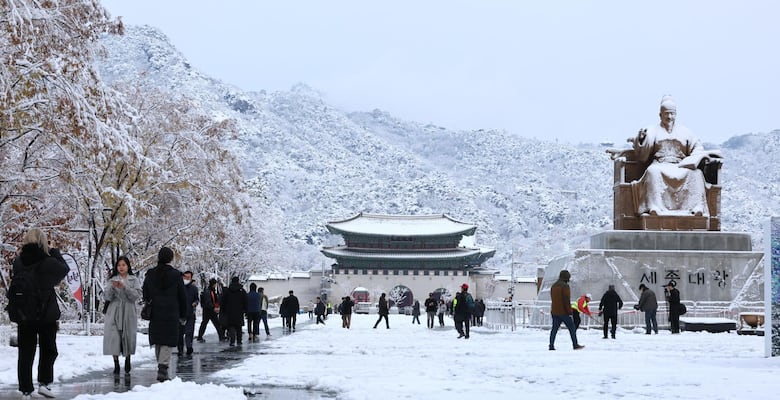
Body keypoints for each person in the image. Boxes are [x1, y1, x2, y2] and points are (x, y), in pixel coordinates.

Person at [631, 95, 718, 216]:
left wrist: (697, 157)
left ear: (676, 114)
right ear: (660, 115)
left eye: (672, 113)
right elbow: (643, 153)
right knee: (652, 172)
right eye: (666, 113)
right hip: (660, 164)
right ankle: (654, 207)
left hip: (680, 165)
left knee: (696, 174)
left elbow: (697, 147)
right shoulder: (652, 130)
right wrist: (641, 140)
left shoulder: (686, 132)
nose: (669, 117)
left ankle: (696, 207)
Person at [12, 228, 69, 399]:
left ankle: (26, 390)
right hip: (46, 313)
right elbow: (64, 269)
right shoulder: (48, 261)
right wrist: (54, 251)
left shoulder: (19, 261)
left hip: (25, 313)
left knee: (25, 353)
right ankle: (44, 383)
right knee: (48, 350)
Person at [142, 246, 187, 382]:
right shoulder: (176, 275)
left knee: (158, 341)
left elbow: (145, 293)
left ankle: (161, 366)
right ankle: (163, 368)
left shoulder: (150, 274)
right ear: (171, 259)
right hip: (171, 312)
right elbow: (182, 296)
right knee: (167, 341)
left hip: (156, 312)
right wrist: (183, 314)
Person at [103, 256, 142, 375]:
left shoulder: (133, 279)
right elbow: (107, 297)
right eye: (119, 265)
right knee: (114, 337)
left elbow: (136, 296)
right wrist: (112, 288)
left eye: (123, 265)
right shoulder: (112, 279)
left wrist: (125, 287)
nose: (121, 267)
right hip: (114, 310)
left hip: (128, 309)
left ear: (128, 266)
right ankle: (115, 363)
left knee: (128, 335)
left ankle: (128, 358)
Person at [548, 270, 584, 351]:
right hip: (563, 312)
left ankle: (551, 345)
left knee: (554, 329)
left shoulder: (553, 286)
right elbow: (566, 300)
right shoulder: (565, 286)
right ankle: (575, 344)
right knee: (572, 328)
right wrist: (569, 311)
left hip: (554, 311)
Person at [219, 276, 248, 346]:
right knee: (239, 326)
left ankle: (232, 340)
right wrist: (245, 310)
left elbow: (223, 301)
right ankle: (239, 340)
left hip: (230, 311)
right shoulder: (242, 291)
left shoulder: (228, 291)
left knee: (231, 326)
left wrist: (223, 310)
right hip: (239, 311)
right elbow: (246, 301)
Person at [178, 270, 199, 355]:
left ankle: (189, 346)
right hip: (179, 314)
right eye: (185, 277)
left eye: (188, 277)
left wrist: (195, 303)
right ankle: (180, 348)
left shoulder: (194, 288)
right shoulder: (178, 287)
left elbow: (197, 299)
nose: (186, 279)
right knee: (179, 333)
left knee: (189, 332)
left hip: (190, 313)